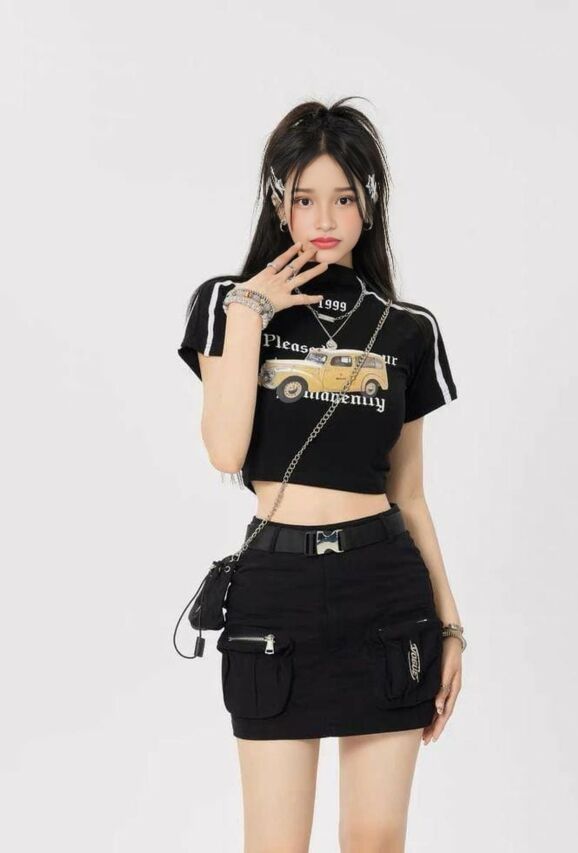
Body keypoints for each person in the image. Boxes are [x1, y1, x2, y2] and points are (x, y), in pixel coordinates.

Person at [177, 97, 466, 853]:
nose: (325, 218)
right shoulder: (224, 304)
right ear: (279, 204)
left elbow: (410, 495)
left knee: (375, 840)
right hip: (276, 592)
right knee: (275, 843)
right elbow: (225, 450)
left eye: (344, 198)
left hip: (385, 587)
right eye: (305, 199)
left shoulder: (409, 328)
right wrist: (251, 312)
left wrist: (451, 627)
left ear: (370, 204)